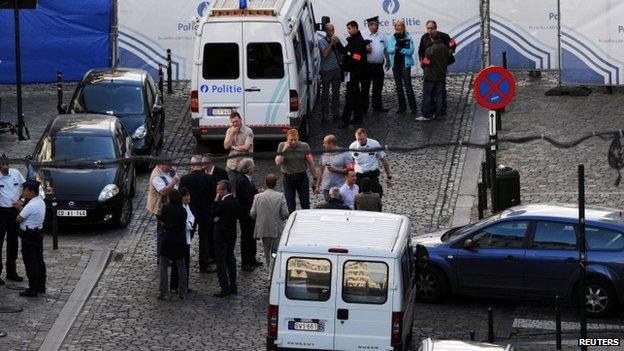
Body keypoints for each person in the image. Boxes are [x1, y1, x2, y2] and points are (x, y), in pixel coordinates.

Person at [250, 173, 289, 277]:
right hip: (276, 230)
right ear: (275, 184)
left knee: (267, 253)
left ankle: (269, 272)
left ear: (265, 183)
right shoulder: (280, 196)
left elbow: (252, 214)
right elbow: (285, 214)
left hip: (263, 229)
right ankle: (272, 274)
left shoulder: (257, 197)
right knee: (275, 253)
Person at [179, 156, 213, 274]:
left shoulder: (185, 179)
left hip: (190, 213)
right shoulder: (209, 178)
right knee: (204, 239)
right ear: (202, 165)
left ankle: (184, 260)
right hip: (205, 212)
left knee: (187, 237)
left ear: (191, 166)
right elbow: (212, 196)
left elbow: (181, 196)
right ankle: (204, 264)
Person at [13, 180, 46, 297]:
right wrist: (21, 207)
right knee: (39, 260)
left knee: (30, 262)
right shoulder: (40, 202)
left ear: (31, 191)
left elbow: (19, 219)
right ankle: (41, 286)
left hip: (29, 236)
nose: (23, 193)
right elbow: (29, 214)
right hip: (38, 234)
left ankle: (33, 288)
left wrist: (18, 207)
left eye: (25, 190)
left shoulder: (30, 205)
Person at [418, 20, 456, 116]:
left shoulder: (443, 36)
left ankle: (442, 110)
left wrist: (450, 51)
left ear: (436, 28)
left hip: (440, 67)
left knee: (440, 91)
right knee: (431, 92)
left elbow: (453, 42)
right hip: (429, 69)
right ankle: (432, 109)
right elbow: (421, 50)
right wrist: (422, 62)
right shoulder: (424, 37)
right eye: (428, 28)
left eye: (432, 28)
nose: (430, 30)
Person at [275, 129, 317, 214]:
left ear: (298, 137)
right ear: (287, 138)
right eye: (291, 140)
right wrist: (285, 149)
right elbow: (278, 162)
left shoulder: (304, 146)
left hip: (302, 177)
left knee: (305, 203)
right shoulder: (282, 145)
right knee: (290, 205)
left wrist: (315, 178)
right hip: (288, 178)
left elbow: (311, 162)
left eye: (295, 140)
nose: (293, 142)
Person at [210, 180, 239, 297]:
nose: (217, 193)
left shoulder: (223, 203)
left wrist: (216, 200)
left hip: (221, 236)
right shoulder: (235, 201)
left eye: (219, 190)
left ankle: (224, 288)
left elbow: (212, 213)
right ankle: (233, 286)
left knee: (221, 262)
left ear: (225, 190)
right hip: (231, 235)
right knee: (231, 260)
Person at [0, 154, 25, 285]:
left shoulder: (15, 173)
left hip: (14, 212)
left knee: (13, 242)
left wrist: (21, 200)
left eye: (7, 164)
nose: (6, 167)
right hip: (1, 212)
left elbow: (24, 186)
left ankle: (11, 271)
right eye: (3, 165)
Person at [146, 162, 179, 262]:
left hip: (168, 206)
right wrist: (173, 182)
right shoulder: (156, 176)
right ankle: (161, 257)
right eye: (169, 166)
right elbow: (163, 191)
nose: (171, 168)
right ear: (161, 165)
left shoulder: (166, 171)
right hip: (161, 208)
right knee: (162, 233)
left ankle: (166, 255)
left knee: (167, 232)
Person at [201, 154, 229, 272]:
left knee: (216, 232)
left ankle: (217, 255)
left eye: (204, 163)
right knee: (207, 234)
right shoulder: (202, 173)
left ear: (210, 163)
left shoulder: (221, 173)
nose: (202, 166)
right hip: (206, 208)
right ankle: (210, 255)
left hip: (217, 208)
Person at [349, 128, 394, 198]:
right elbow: (350, 163)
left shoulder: (374, 144)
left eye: (362, 139)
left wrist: (388, 176)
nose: (360, 141)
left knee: (377, 196)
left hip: (372, 176)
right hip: (359, 177)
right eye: (358, 139)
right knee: (358, 198)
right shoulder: (352, 146)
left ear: (366, 136)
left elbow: (384, 160)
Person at [340, 20, 368, 129]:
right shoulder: (353, 40)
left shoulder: (358, 41)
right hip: (352, 72)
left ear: (355, 28)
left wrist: (346, 67)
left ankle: (345, 120)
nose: (348, 31)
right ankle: (358, 117)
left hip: (355, 73)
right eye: (347, 28)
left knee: (350, 96)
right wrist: (338, 44)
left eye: (350, 28)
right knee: (355, 95)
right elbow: (347, 52)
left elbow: (357, 57)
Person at [235, 158, 261, 271]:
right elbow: (246, 197)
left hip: (250, 213)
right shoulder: (242, 181)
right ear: (248, 168)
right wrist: (257, 196)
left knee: (252, 236)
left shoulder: (247, 179)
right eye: (252, 166)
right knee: (246, 237)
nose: (254, 168)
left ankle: (252, 258)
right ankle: (245, 262)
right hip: (245, 214)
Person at [387, 19, 417, 114]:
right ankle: (402, 107)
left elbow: (411, 50)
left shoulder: (408, 36)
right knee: (398, 87)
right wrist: (396, 49)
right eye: (396, 26)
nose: (397, 27)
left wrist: (401, 50)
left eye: (399, 25)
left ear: (403, 26)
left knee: (408, 86)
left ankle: (413, 107)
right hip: (395, 65)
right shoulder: (392, 38)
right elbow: (389, 50)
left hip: (405, 64)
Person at [361, 16, 389, 113]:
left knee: (378, 87)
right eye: (375, 25)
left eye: (377, 25)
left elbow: (385, 49)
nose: (377, 27)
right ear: (369, 25)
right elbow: (357, 49)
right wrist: (364, 49)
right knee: (365, 87)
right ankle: (364, 108)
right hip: (367, 66)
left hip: (378, 66)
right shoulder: (362, 34)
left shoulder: (382, 35)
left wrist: (388, 60)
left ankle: (377, 107)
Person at [170, 187, 195, 295]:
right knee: (178, 264)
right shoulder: (181, 209)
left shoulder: (187, 207)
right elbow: (187, 224)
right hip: (181, 239)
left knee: (185, 263)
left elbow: (191, 219)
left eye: (189, 195)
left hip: (186, 239)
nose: (188, 197)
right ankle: (175, 286)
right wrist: (190, 224)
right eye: (186, 196)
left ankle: (183, 284)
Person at [318, 23, 343, 122]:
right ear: (326, 31)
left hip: (336, 69)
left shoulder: (336, 40)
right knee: (325, 94)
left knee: (336, 93)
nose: (332, 32)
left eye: (333, 30)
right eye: (330, 30)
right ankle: (325, 115)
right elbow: (324, 54)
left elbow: (342, 53)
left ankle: (336, 113)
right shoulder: (322, 41)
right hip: (326, 71)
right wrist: (331, 43)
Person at [223, 112, 254, 195]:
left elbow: (247, 146)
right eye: (233, 122)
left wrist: (235, 148)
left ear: (241, 120)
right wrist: (232, 134)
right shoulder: (229, 131)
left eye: (236, 121)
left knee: (245, 189)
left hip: (245, 165)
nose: (235, 124)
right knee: (230, 188)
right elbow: (226, 146)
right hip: (232, 164)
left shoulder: (248, 131)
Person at [315, 135, 353, 201]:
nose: (323, 145)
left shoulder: (345, 153)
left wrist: (335, 170)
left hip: (340, 187)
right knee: (329, 208)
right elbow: (320, 170)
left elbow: (350, 169)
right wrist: (317, 186)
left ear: (331, 143)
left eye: (325, 143)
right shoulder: (323, 154)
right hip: (327, 188)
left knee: (340, 208)